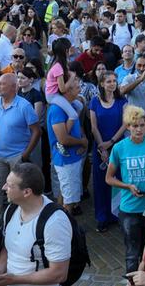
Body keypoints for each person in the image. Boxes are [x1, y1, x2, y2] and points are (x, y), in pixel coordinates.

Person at [0, 163, 72, 286]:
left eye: (10, 185)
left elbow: (59, 274)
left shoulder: (55, 222)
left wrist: (15, 280)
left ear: (26, 192)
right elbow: (8, 247)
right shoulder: (11, 210)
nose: (4, 187)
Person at [106, 105, 145, 273]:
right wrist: (127, 186)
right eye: (135, 126)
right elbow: (109, 178)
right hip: (130, 209)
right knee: (132, 255)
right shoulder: (119, 148)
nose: (139, 129)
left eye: (142, 125)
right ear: (128, 127)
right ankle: (133, 282)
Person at [0, 73, 42, 209]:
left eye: (2, 84)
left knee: (18, 191)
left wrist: (25, 154)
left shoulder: (24, 106)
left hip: (17, 156)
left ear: (13, 87)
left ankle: (17, 217)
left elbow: (36, 131)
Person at [90, 71, 127, 232]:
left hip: (117, 146)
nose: (112, 84)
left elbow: (125, 125)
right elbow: (93, 127)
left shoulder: (122, 101)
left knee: (118, 180)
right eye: (109, 81)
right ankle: (102, 217)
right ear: (102, 84)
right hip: (100, 148)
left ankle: (117, 215)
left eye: (114, 81)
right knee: (100, 183)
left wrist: (111, 142)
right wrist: (102, 146)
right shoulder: (94, 101)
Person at [47, 71, 88, 216]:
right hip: (65, 161)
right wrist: (82, 142)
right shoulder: (57, 110)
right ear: (66, 88)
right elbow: (63, 139)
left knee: (66, 194)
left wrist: (83, 141)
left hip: (73, 158)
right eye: (75, 80)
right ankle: (66, 225)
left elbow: (78, 127)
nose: (78, 83)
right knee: (68, 200)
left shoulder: (71, 105)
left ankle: (62, 221)